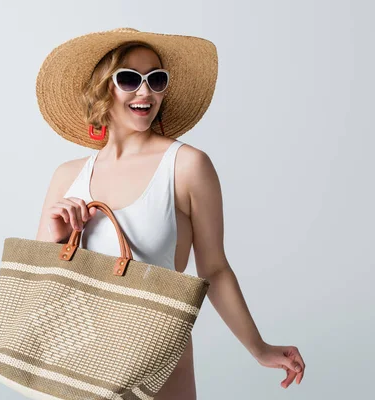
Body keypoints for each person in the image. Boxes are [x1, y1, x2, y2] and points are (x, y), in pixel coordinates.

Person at [34, 27, 305, 399]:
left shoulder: (187, 166)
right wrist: (54, 238)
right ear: (102, 87)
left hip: (157, 361)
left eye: (155, 80)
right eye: (129, 79)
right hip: (78, 363)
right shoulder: (67, 176)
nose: (145, 92)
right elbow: (43, 285)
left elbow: (214, 269)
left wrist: (258, 348)